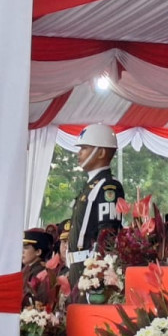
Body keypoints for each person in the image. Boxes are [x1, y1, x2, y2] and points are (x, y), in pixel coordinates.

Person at [66, 123, 125, 288]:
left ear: (101, 152)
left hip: (90, 268)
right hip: (78, 266)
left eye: (84, 148)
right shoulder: (91, 185)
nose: (79, 153)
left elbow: (108, 233)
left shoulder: (108, 186)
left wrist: (98, 268)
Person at [22, 228, 55, 308]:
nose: (21, 251)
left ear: (38, 252)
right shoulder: (27, 268)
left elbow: (40, 303)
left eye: (26, 248)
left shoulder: (42, 273)